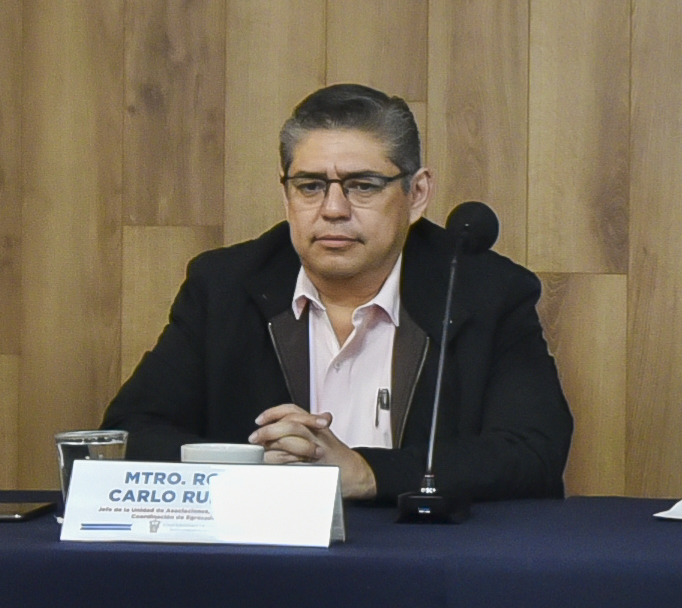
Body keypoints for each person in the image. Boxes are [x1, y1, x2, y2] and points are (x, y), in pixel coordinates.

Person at [105, 84, 571, 503]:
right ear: (286, 195)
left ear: (417, 194)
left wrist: (369, 473)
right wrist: (252, 466)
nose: (332, 209)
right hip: (266, 553)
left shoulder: (484, 291)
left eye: (362, 186)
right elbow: (129, 434)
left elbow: (534, 452)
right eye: (310, 186)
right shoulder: (223, 286)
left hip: (427, 553)